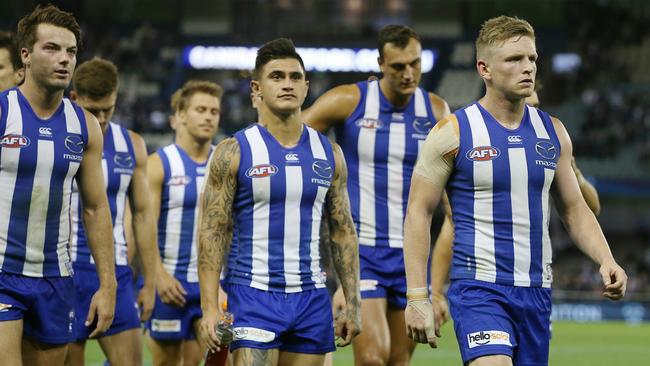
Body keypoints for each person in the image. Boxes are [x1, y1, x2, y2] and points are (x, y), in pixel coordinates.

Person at [403, 15, 627, 366]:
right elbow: (418, 211)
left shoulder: (553, 132)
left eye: (532, 59)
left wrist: (606, 259)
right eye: (514, 59)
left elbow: (574, 209)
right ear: (484, 68)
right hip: (479, 290)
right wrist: (418, 295)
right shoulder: (452, 132)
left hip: (536, 293)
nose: (528, 68)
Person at [197, 38, 361, 366]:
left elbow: (342, 231)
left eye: (295, 77)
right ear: (256, 88)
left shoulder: (330, 154)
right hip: (252, 294)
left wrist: (353, 303)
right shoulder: (233, 151)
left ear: (306, 87)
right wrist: (210, 305)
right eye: (276, 77)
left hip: (311, 298)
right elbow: (212, 230)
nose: (287, 84)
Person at [302, 24, 452, 365]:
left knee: (398, 361)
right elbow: (291, 134)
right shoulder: (349, 100)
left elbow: (453, 203)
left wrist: (437, 290)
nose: (408, 73)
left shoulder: (437, 112)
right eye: (398, 66)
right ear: (381, 63)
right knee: (372, 358)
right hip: (363, 253)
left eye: (415, 63)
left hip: (412, 256)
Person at [428, 83, 603, 333]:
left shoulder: (547, 144)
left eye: (536, 106)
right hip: (484, 283)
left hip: (533, 281)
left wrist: (573, 172)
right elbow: (451, 224)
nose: (531, 112)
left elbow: (588, 207)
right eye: (528, 105)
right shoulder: (481, 148)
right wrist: (434, 292)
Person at [0, 5, 116, 366]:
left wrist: (107, 284)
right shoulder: (3, 112)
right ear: (26, 55)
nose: (64, 59)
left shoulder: (85, 127)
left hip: (56, 277)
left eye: (70, 51)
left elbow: (96, 208)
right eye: (51, 48)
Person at [64, 58, 158, 366]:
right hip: (64, 270)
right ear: (74, 98)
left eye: (109, 109)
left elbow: (143, 215)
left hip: (113, 272)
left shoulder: (131, 144)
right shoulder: (56, 136)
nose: (102, 118)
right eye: (94, 111)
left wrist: (150, 282)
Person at [146, 79, 223, 366]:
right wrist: (158, 275)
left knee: (216, 360)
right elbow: (146, 227)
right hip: (172, 285)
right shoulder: (159, 163)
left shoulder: (227, 162)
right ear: (180, 115)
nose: (208, 116)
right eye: (200, 109)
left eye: (214, 111)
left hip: (215, 286)